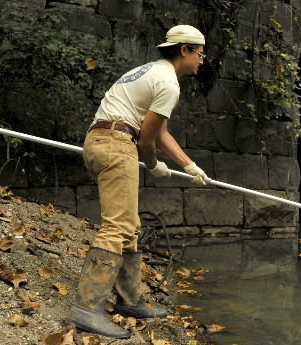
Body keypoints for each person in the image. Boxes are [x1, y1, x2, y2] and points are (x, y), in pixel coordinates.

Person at [70, 25, 212, 338]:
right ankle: (87, 307)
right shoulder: (168, 83)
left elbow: (157, 129)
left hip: (102, 140)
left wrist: (189, 165)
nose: (202, 60)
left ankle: (129, 300)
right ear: (184, 50)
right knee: (117, 227)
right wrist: (153, 164)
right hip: (116, 143)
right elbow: (147, 139)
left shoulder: (150, 71)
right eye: (200, 53)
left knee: (130, 224)